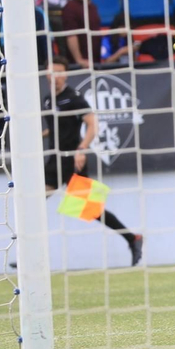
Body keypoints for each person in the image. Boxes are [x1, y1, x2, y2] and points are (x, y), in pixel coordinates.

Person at [42, 62, 143, 265]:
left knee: (92, 210)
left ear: (66, 75)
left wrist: (82, 149)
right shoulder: (47, 100)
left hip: (73, 160)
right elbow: (57, 127)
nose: (56, 76)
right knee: (33, 203)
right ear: (46, 75)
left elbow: (92, 125)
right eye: (52, 72)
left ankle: (133, 238)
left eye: (60, 72)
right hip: (54, 160)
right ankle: (29, 255)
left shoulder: (74, 97)